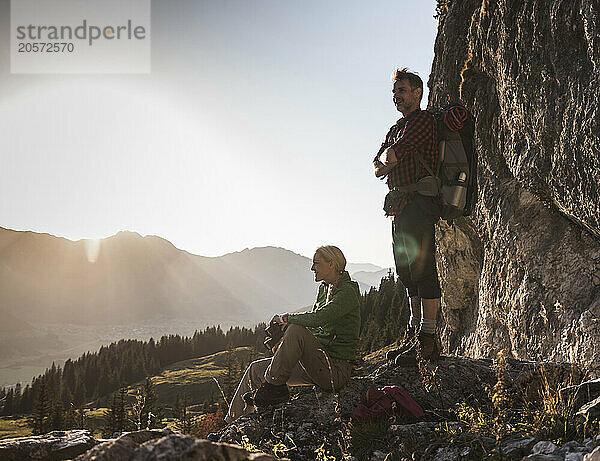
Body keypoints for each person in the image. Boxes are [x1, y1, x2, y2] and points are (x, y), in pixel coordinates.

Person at [225, 245, 361, 423]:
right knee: (255, 370)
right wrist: (285, 345)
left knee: (296, 328)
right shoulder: (324, 289)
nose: (312, 268)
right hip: (316, 364)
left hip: (334, 370)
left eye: (316, 264)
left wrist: (287, 319)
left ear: (332, 264)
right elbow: (314, 328)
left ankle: (274, 387)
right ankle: (231, 423)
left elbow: (320, 318)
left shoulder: (348, 292)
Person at [373, 67, 441, 366]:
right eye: (394, 92)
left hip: (419, 202)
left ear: (417, 93)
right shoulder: (395, 128)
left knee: (423, 267)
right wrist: (386, 159)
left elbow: (391, 157)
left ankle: (428, 338)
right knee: (405, 269)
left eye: (402, 90)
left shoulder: (423, 121)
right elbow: (377, 164)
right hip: (399, 205)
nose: (396, 96)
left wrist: (387, 158)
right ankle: (414, 333)